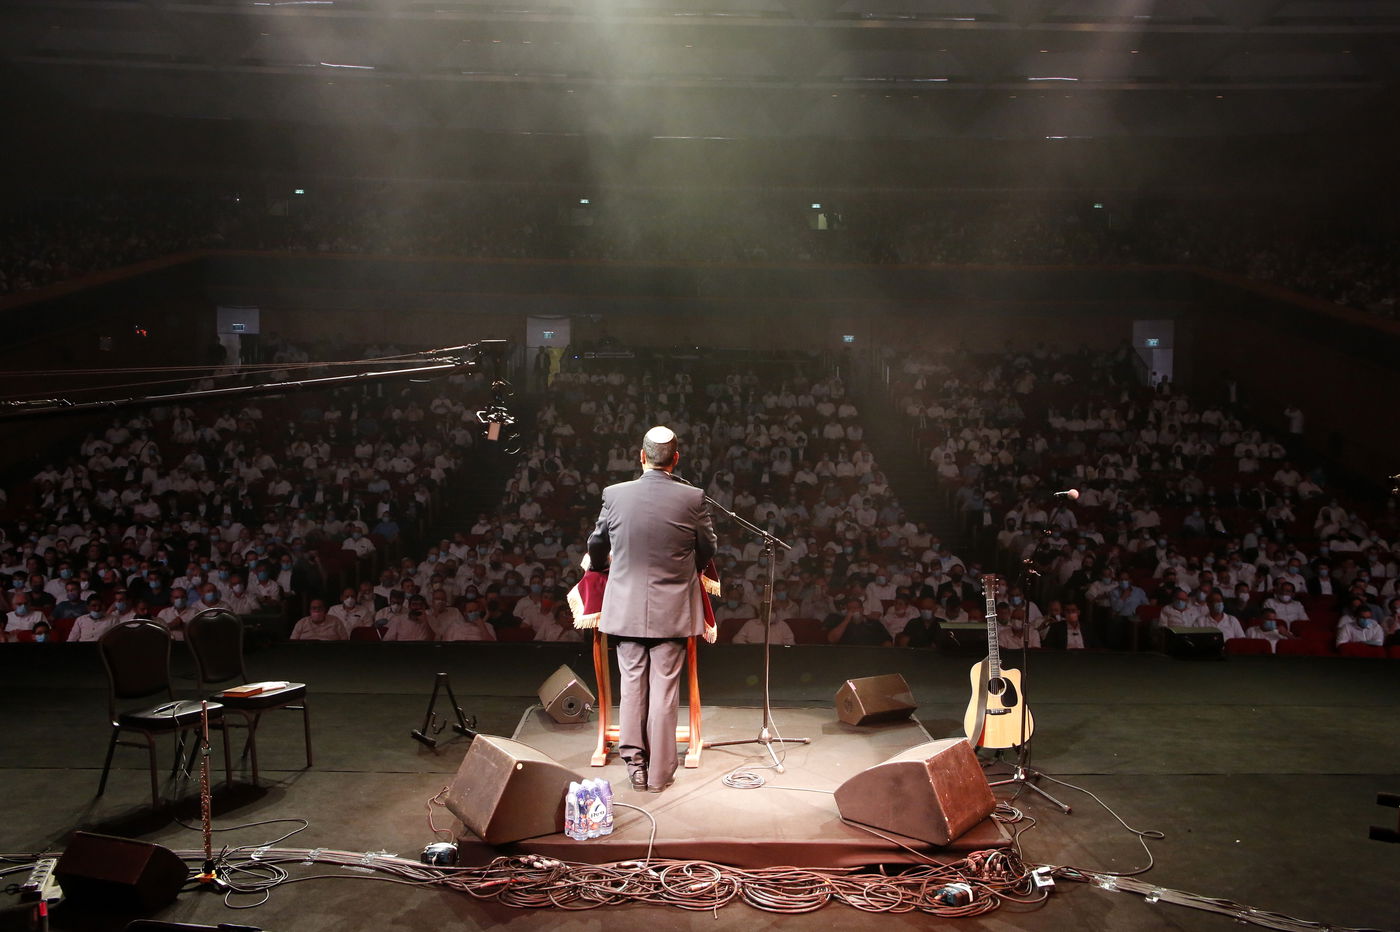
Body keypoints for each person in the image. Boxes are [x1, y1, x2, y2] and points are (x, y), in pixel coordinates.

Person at [587, 426, 716, 794]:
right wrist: (689, 567)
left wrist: (600, 565)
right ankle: (659, 774)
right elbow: (708, 548)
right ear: (676, 459)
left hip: (626, 606)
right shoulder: (693, 497)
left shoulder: (615, 494)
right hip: (672, 609)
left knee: (631, 686)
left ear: (641, 456)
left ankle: (636, 768)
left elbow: (597, 544)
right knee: (664, 691)